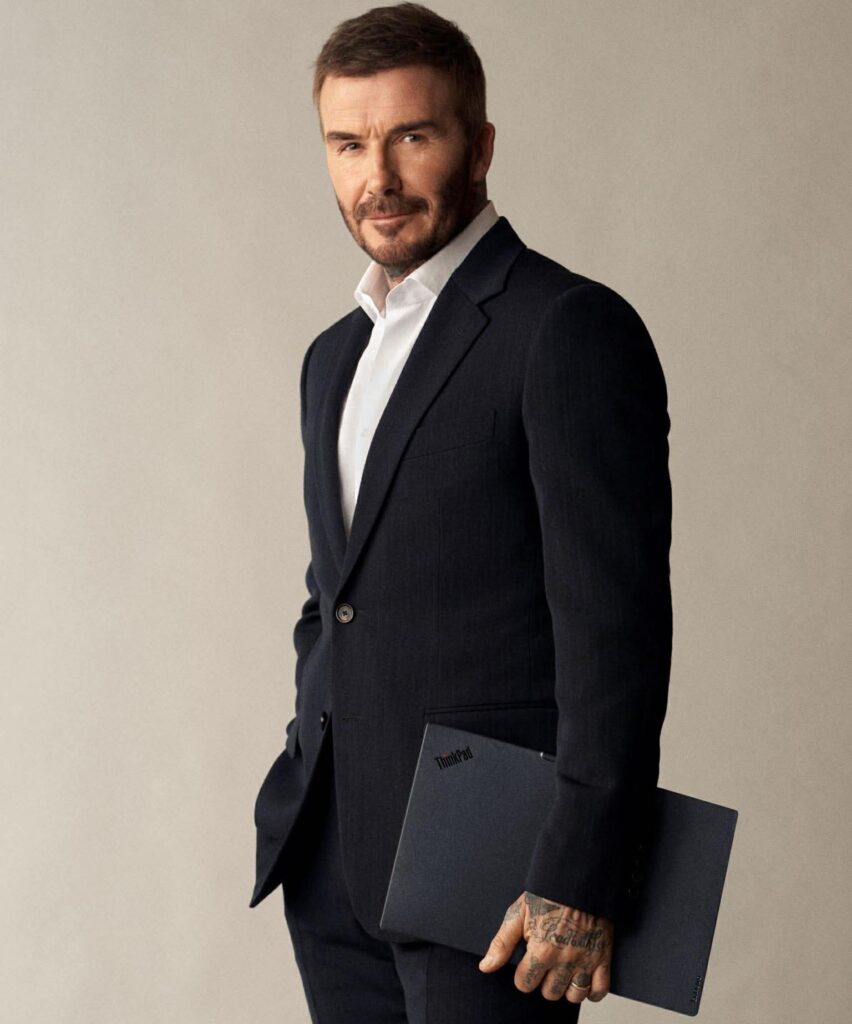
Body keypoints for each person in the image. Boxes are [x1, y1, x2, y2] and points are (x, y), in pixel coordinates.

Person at [249, 4, 672, 1021]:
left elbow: (615, 630)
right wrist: (308, 746)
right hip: (333, 856)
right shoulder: (333, 357)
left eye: (412, 136)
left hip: (495, 867)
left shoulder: (565, 328)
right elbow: (335, 592)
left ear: (479, 147)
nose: (378, 178)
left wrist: (578, 872)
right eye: (348, 144)